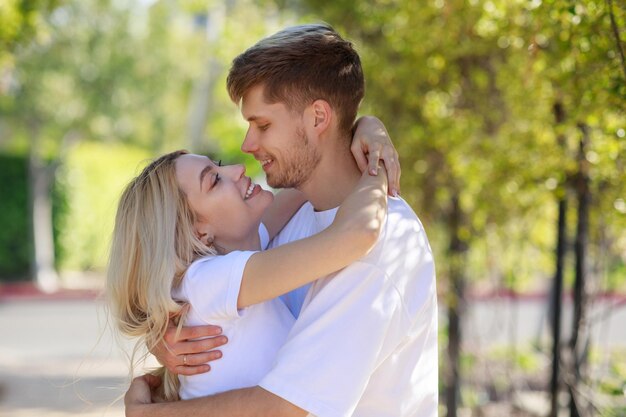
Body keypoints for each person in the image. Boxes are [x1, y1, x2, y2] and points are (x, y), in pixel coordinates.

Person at [125, 23, 438, 417]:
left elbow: (285, 408)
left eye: (263, 125)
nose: (246, 148)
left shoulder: (383, 246)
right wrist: (164, 338)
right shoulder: (285, 220)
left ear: (318, 117)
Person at [107, 149, 388, 401]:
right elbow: (358, 234)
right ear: (200, 232)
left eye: (218, 166)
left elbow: (313, 169)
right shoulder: (208, 281)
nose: (237, 169)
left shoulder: (234, 253)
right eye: (215, 180)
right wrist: (379, 163)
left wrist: (367, 127)